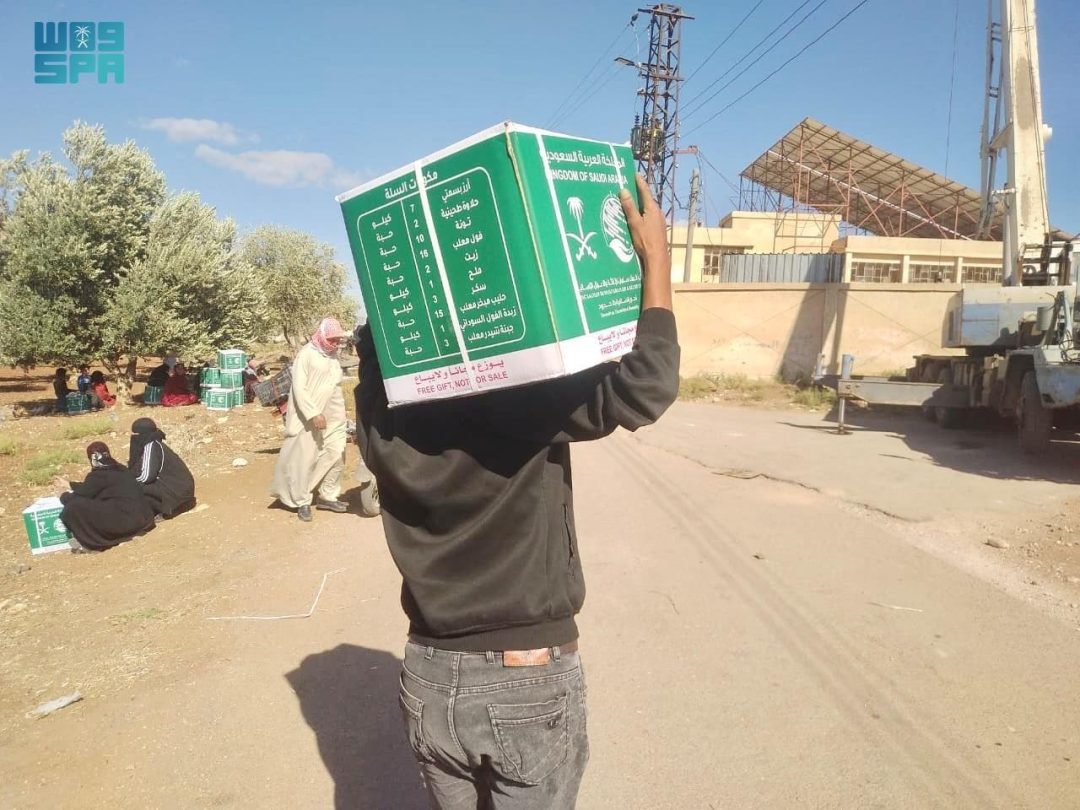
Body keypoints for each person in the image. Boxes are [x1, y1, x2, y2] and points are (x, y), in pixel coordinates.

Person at [353, 175, 680, 809]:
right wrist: (655, 262)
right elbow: (647, 386)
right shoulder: (514, 389)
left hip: (427, 671)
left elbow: (376, 350)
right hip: (524, 675)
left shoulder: (377, 400)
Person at [270, 317, 349, 522]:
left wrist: (341, 414)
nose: (334, 343)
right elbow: (299, 387)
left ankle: (328, 495)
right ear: (322, 336)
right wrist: (313, 413)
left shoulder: (332, 357)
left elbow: (335, 386)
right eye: (331, 339)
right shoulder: (306, 355)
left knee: (336, 452)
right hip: (308, 417)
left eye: (337, 339)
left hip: (334, 414)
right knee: (304, 458)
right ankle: (302, 500)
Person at [54, 441, 156, 552]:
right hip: (143, 520)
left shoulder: (98, 475)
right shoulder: (120, 469)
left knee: (74, 506)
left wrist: (63, 496)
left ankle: (93, 541)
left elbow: (84, 493)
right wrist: (69, 484)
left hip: (128, 523)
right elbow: (89, 487)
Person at [127, 417, 196, 520]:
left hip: (179, 491)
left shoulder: (151, 446)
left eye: (136, 434)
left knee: (135, 486)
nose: (134, 437)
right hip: (182, 489)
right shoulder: (155, 444)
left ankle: (167, 509)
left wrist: (127, 480)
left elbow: (147, 476)